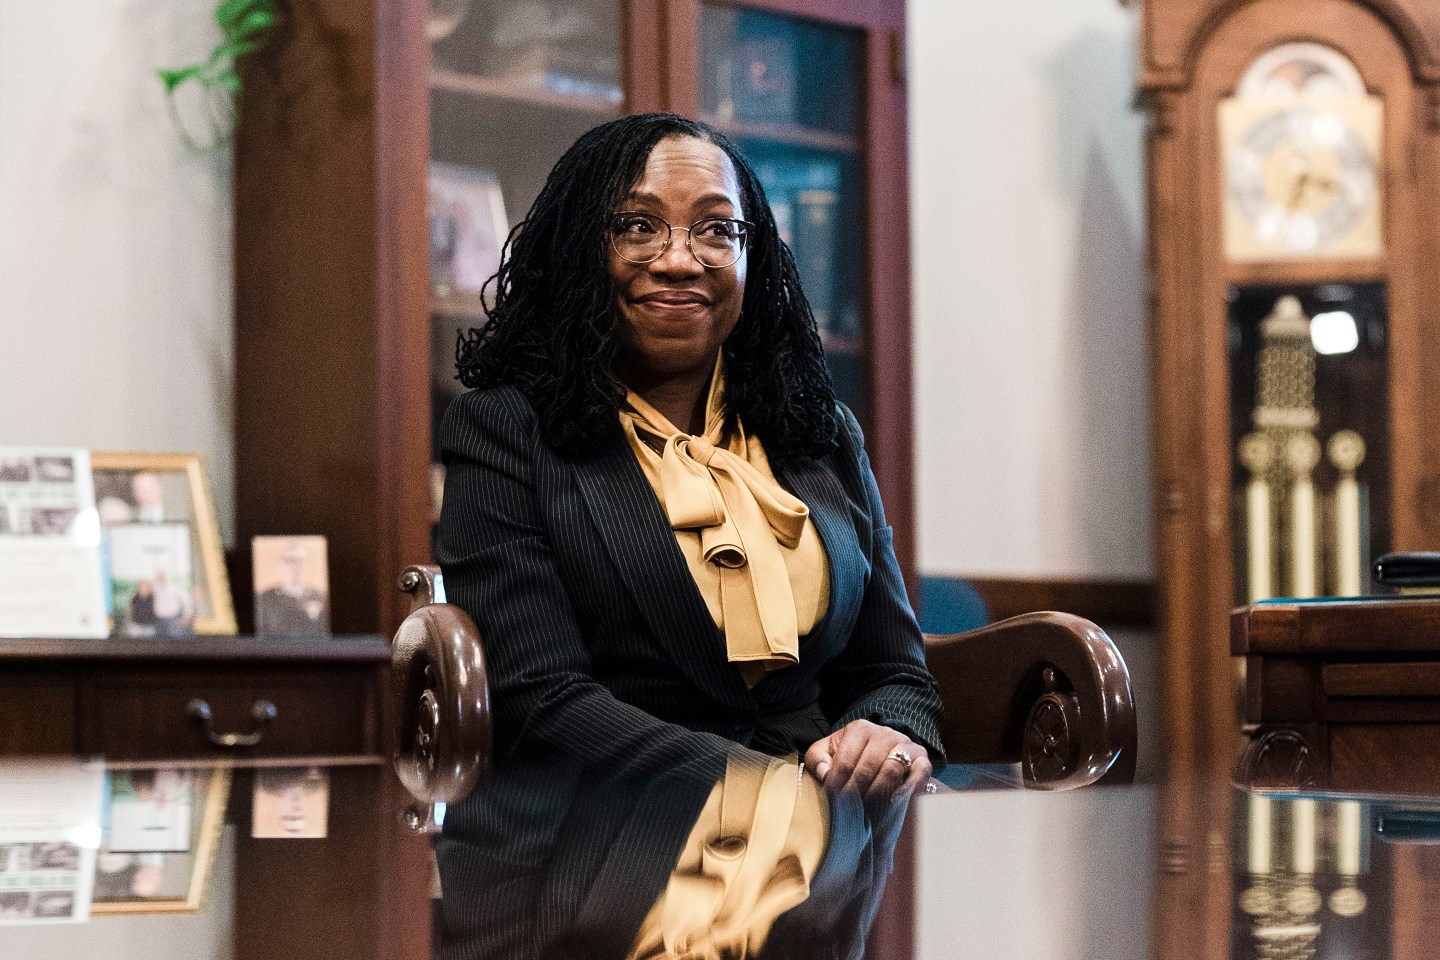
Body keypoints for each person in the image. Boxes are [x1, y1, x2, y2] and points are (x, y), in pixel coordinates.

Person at [434, 113, 943, 959]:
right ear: (579, 249)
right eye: (638, 226)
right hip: (595, 871)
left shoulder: (820, 436)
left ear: (754, 255)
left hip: (817, 886)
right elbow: (542, 700)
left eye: (715, 229)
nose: (679, 259)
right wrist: (770, 792)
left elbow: (894, 671)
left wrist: (887, 730)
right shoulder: (504, 432)